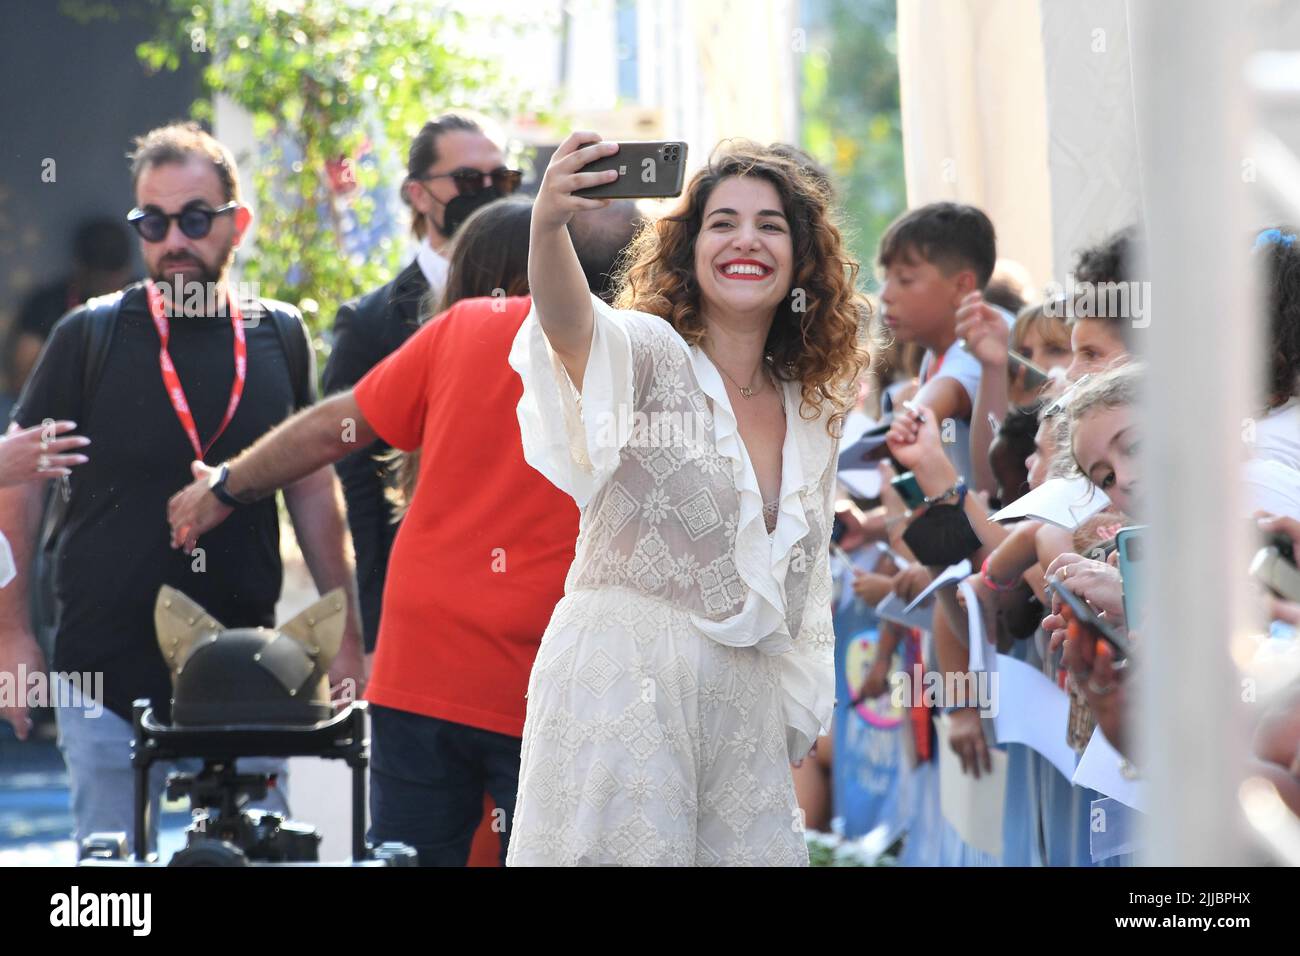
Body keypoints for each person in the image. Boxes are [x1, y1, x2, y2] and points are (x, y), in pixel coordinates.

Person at [166, 196, 643, 865]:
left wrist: (228, 485)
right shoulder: (646, 351)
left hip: (424, 667)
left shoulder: (470, 327)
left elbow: (334, 425)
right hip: (553, 680)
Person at [0, 122, 366, 852]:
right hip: (102, 666)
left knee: (258, 850)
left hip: (247, 665)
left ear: (238, 222)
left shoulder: (280, 334)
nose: (174, 240)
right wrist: (12, 634)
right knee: (109, 875)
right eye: (154, 222)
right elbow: (20, 487)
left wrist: (350, 634)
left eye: (195, 219)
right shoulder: (86, 336)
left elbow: (312, 486)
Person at [504, 133, 868, 866]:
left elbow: (801, 595)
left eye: (771, 225)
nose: (747, 240)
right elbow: (571, 325)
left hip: (739, 703)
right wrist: (547, 224)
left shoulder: (811, 409)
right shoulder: (650, 352)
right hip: (624, 676)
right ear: (689, 248)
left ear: (802, 259)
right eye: (723, 221)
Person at [321, 111, 521, 660]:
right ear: (417, 194)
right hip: (422, 608)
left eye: (502, 180)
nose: (487, 194)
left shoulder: (554, 302)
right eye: (467, 181)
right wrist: (375, 632)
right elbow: (360, 491)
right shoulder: (369, 323)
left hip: (527, 599)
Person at [877, 202, 1010, 485]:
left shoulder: (985, 341)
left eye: (904, 279)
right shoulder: (935, 352)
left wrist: (910, 416)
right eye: (885, 278)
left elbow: (932, 405)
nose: (885, 295)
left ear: (961, 286)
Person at [6, 217, 134, 404]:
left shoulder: (142, 301)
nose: (110, 286)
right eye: (101, 278)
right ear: (80, 268)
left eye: (116, 275)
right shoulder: (48, 304)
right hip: (56, 404)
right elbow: (21, 379)